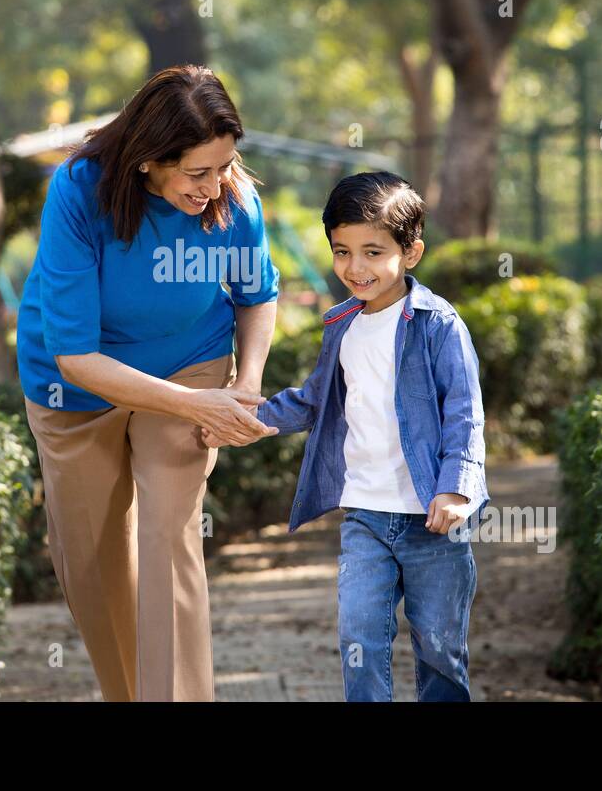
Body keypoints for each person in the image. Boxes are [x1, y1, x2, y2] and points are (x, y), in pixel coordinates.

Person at [15, 64, 280, 701]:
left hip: (191, 358)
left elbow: (257, 294)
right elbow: (76, 356)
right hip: (75, 385)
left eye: (224, 166)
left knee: (169, 529)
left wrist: (244, 386)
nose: (215, 186)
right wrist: (198, 403)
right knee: (94, 565)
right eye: (197, 173)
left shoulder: (234, 199)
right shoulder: (79, 191)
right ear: (146, 161)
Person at [205, 170, 489, 701]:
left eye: (373, 252)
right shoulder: (343, 325)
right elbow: (315, 400)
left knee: (440, 652)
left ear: (411, 253)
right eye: (341, 251)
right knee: (359, 637)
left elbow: (465, 413)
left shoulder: (438, 325)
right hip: (365, 516)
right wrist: (250, 420)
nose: (355, 268)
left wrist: (458, 488)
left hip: (433, 521)